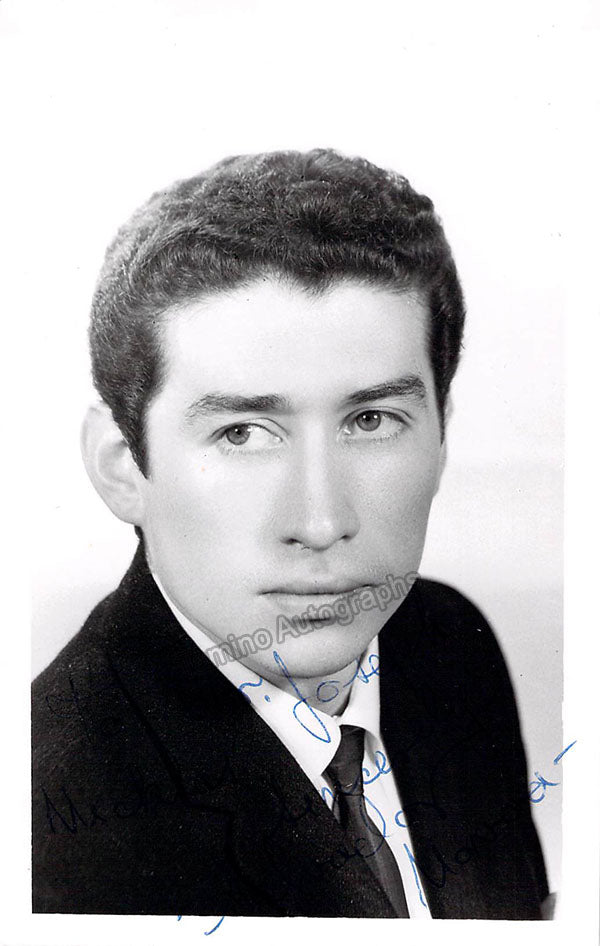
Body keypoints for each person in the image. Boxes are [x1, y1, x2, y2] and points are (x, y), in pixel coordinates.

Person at [31, 148, 550, 919]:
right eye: (242, 433)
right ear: (121, 466)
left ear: (442, 436)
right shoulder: (46, 821)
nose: (321, 523)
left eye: (371, 420)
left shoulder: (445, 641)